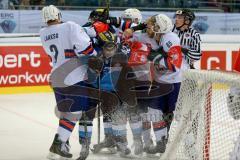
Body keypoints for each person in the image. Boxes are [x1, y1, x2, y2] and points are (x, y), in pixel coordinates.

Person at [39, 5, 97, 160]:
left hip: (56, 77)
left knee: (65, 113)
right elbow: (86, 49)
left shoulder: (43, 33)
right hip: (73, 78)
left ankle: (59, 148)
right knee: (74, 113)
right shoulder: (70, 26)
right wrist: (95, 55)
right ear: (59, 14)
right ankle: (58, 144)